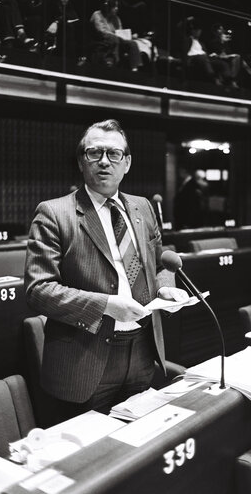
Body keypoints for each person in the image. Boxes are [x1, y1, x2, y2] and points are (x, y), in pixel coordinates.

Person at [25, 118, 188, 421]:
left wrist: (165, 285)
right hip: (84, 360)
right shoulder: (54, 213)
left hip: (142, 352)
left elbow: (158, 262)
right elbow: (38, 291)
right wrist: (106, 306)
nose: (104, 161)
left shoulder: (142, 208)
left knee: (138, 451)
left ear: (126, 163)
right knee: (90, 462)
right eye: (94, 153)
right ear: (81, 161)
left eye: (114, 154)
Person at [89, 0, 142, 70]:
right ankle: (116, 62)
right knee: (114, 39)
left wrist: (129, 36)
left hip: (117, 38)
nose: (116, 8)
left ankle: (135, 68)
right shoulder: (97, 14)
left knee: (132, 43)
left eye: (117, 6)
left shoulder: (116, 18)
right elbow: (101, 31)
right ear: (108, 7)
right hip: (102, 39)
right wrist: (115, 35)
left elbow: (120, 30)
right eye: (114, 6)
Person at [207, 23, 241, 89]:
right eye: (220, 29)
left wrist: (223, 43)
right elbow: (213, 54)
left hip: (225, 58)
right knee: (226, 63)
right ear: (215, 31)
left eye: (222, 29)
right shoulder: (212, 42)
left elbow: (228, 53)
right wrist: (222, 54)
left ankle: (232, 80)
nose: (222, 31)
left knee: (238, 58)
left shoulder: (225, 43)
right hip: (217, 59)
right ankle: (231, 81)